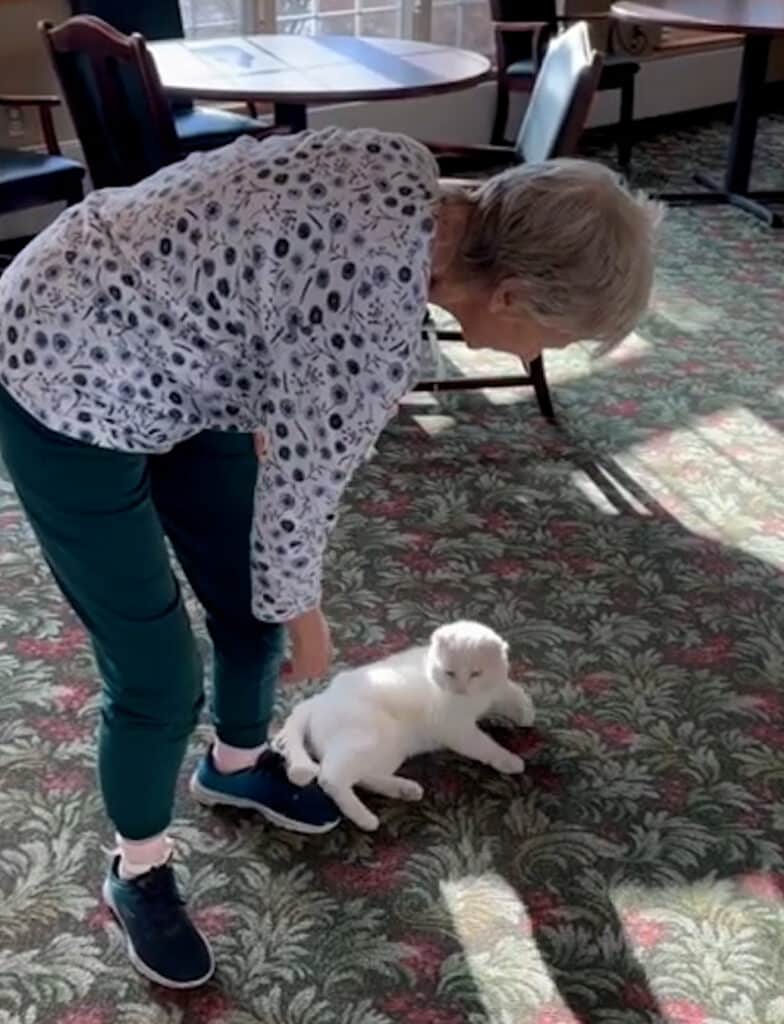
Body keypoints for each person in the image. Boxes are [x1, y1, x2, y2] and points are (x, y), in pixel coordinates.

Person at [0, 127, 661, 988]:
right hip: (57, 370)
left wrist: (279, 600)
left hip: (189, 358)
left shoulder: (407, 163)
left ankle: (234, 768)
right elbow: (301, 487)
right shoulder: (373, 332)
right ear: (507, 295)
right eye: (553, 338)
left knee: (250, 606)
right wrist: (302, 609)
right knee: (158, 677)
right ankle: (139, 870)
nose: (539, 359)